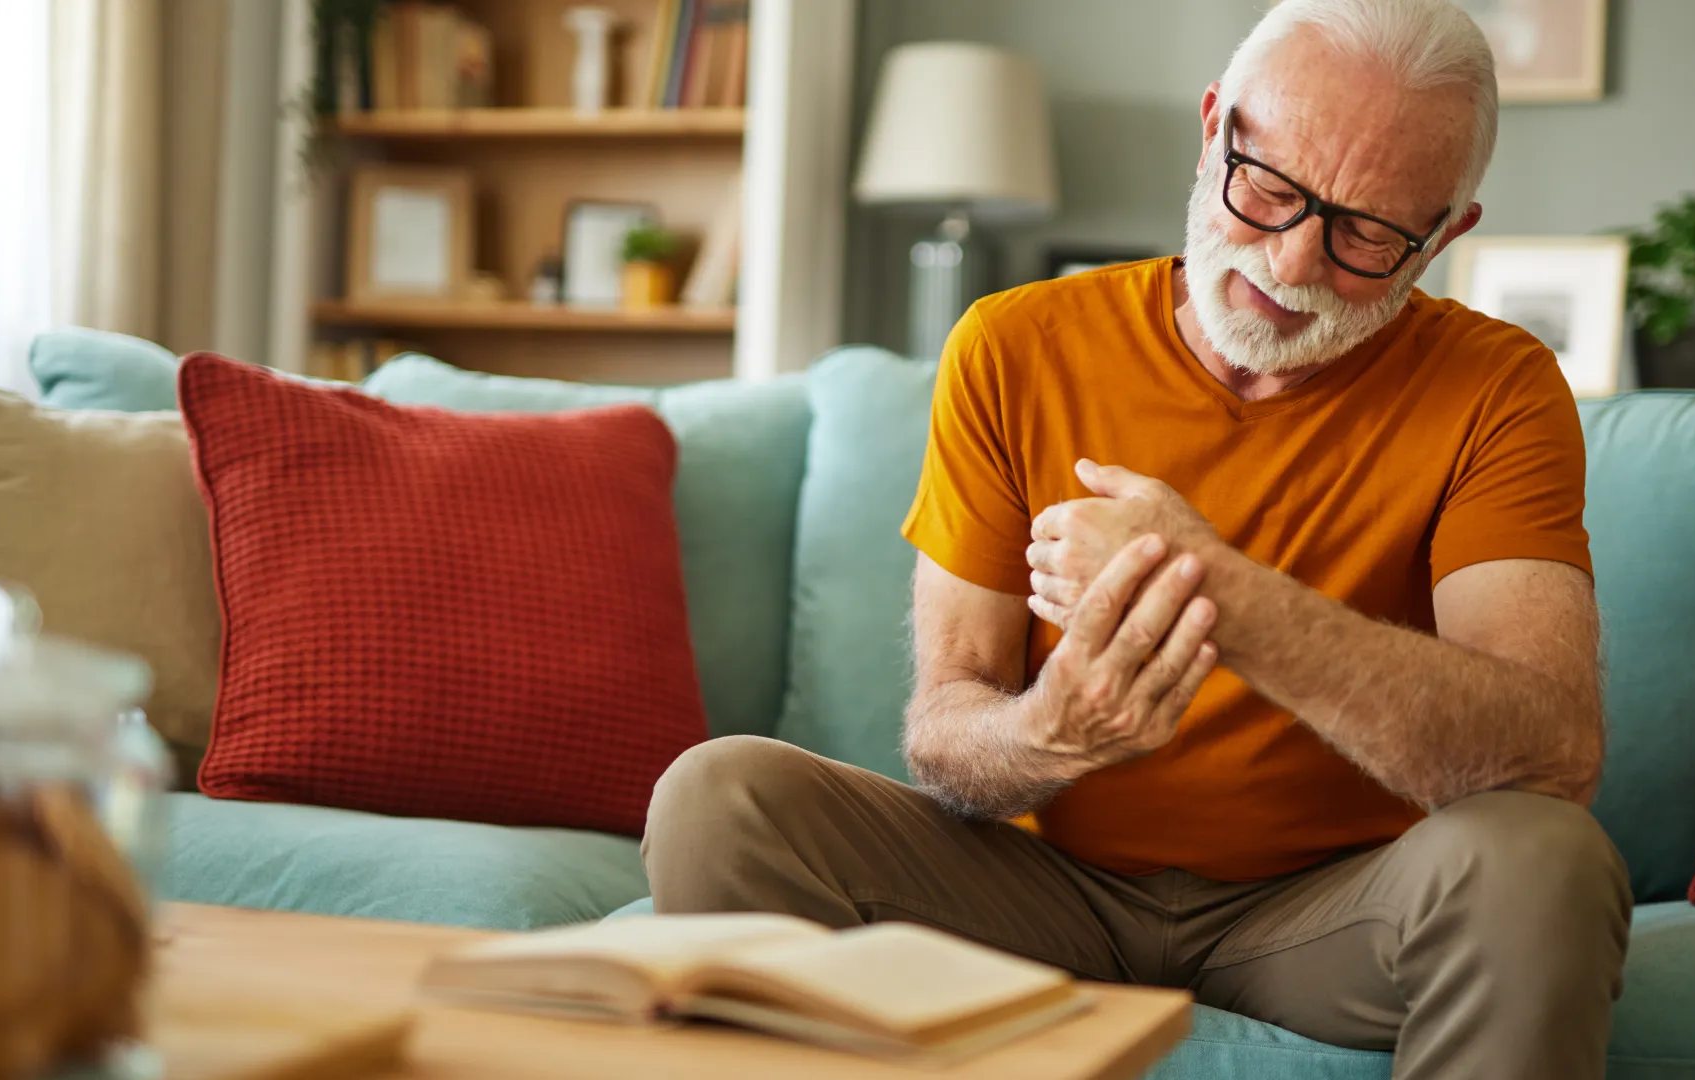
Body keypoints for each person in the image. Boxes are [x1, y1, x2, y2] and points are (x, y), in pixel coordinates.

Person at [642, 0, 1632, 1076]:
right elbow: (946, 726)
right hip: (1042, 895)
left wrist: (1222, 594)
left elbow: (1550, 754)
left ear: (1445, 234)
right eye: (1271, 188)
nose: (1295, 263)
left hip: (1331, 911)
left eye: (1368, 234)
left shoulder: (1500, 387)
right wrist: (1051, 735)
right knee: (718, 797)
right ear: (1214, 129)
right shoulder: (1015, 346)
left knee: (1545, 859)